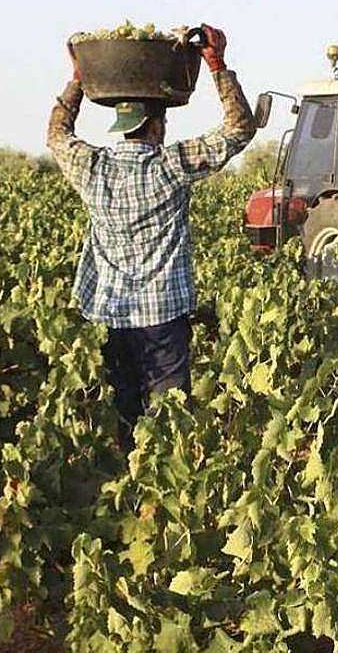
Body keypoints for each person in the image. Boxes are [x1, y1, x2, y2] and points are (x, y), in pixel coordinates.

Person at [47, 24, 256, 451]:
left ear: (123, 126)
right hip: (162, 317)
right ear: (156, 124)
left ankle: (131, 469)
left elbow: (57, 135)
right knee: (171, 419)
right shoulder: (172, 165)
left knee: (126, 411)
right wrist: (216, 63)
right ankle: (165, 480)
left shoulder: (92, 167)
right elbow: (239, 128)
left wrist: (78, 79)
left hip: (111, 315)